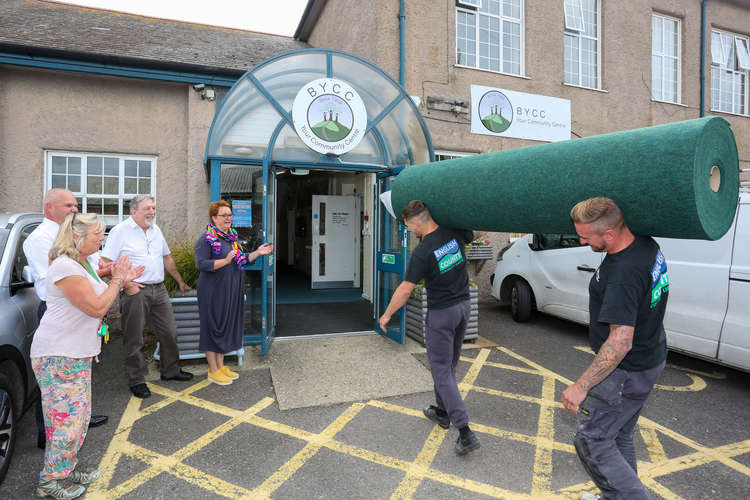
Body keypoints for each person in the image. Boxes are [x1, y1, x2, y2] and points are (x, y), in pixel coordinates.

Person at [561, 197, 669, 500]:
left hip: (624, 373)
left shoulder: (623, 274)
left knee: (593, 441)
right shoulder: (644, 243)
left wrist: (581, 386)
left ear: (609, 234)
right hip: (649, 359)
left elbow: (620, 341)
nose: (581, 241)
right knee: (618, 434)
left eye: (585, 236)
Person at [31, 213, 140, 499]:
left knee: (78, 419)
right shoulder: (65, 267)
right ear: (77, 237)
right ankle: (49, 481)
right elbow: (96, 307)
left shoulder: (84, 262)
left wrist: (119, 275)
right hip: (59, 355)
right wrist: (118, 279)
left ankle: (66, 468)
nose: (102, 240)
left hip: (76, 353)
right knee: (64, 423)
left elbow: (96, 281)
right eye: (97, 235)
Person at [378, 200, 480, 456]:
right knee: (448, 365)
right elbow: (479, 231)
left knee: (441, 370)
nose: (408, 231)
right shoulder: (453, 232)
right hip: (463, 308)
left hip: (442, 315)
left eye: (407, 227)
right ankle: (442, 410)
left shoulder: (423, 251)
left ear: (416, 223)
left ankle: (465, 431)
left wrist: (387, 314)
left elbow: (405, 288)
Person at [23, 189, 109, 451]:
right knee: (57, 390)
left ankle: (74, 421)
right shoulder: (41, 239)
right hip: (61, 313)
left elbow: (88, 272)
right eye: (69, 205)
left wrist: (109, 272)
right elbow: (63, 280)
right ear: (50, 208)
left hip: (77, 315)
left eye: (76, 204)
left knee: (74, 393)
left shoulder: (73, 241)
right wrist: (115, 280)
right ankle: (47, 433)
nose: (75, 209)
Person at [100, 195, 194, 399]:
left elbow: (166, 257)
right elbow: (104, 263)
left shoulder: (155, 230)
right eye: (147, 208)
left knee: (170, 331)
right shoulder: (119, 231)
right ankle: (137, 380)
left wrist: (178, 280)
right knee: (135, 337)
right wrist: (125, 281)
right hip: (135, 291)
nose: (152, 211)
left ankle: (170, 371)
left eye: (153, 207)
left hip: (158, 289)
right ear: (133, 211)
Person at [194, 200, 273, 385]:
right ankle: (212, 370)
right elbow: (202, 264)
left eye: (230, 215)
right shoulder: (206, 239)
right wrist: (225, 261)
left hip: (230, 289)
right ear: (214, 218)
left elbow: (242, 260)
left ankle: (221, 366)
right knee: (212, 327)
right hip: (212, 291)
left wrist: (258, 253)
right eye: (224, 215)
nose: (228, 218)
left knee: (225, 325)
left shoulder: (231, 238)